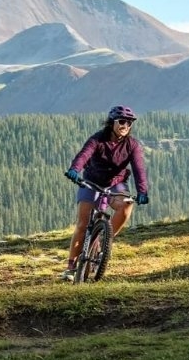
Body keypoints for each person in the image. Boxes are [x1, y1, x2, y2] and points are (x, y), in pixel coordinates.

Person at [62, 105, 150, 278]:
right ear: (112, 123)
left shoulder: (132, 145)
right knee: (82, 224)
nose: (126, 125)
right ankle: (71, 266)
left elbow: (139, 169)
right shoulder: (98, 139)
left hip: (116, 184)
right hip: (91, 181)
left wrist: (142, 191)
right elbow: (84, 155)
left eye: (129, 123)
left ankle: (105, 239)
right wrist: (74, 169)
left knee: (126, 205)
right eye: (122, 121)